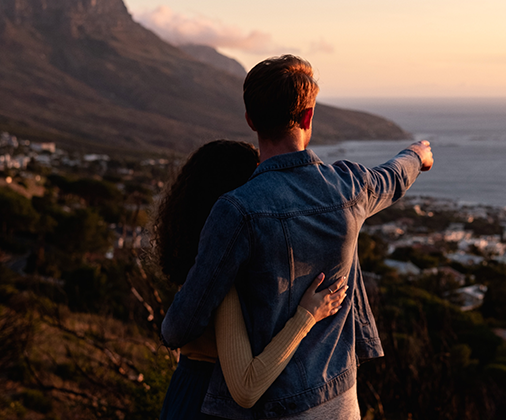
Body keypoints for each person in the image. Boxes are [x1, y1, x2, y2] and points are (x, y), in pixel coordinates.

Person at [161, 55, 433, 419]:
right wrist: (416, 154)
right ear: (307, 117)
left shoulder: (235, 209)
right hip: (340, 398)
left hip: (275, 406)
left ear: (251, 121)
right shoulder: (348, 186)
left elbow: (180, 326)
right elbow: (393, 177)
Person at [154, 140, 350, 419]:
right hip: (208, 404)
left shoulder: (203, 263)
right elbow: (246, 388)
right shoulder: (224, 279)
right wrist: (307, 315)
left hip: (187, 394)